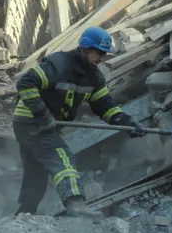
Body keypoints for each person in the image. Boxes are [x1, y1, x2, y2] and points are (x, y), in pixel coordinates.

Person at [13, 26, 145, 218]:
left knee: (37, 173)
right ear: (85, 48)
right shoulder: (58, 64)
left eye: (104, 54)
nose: (101, 57)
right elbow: (25, 84)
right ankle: (76, 204)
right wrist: (44, 116)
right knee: (62, 157)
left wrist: (127, 122)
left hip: (41, 124)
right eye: (98, 52)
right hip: (30, 121)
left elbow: (105, 106)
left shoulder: (94, 78)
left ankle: (23, 214)